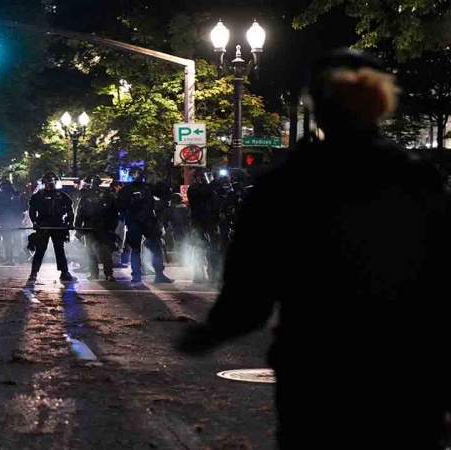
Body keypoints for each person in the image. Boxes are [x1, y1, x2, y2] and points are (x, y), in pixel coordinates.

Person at [177, 49, 450, 449]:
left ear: (317, 106)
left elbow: (250, 293)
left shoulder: (285, 184)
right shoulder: (419, 181)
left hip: (316, 367)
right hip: (406, 372)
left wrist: (207, 334)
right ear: (382, 106)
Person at [115, 167, 174, 284]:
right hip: (144, 222)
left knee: (140, 249)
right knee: (152, 248)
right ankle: (154, 274)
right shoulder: (146, 188)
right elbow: (165, 195)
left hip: (140, 222)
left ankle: (139, 275)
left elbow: (120, 207)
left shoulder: (128, 190)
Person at [28, 172, 76, 282]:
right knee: (40, 250)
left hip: (58, 225)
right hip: (43, 226)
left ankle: (64, 272)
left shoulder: (62, 195)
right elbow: (32, 211)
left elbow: (70, 210)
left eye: (52, 180)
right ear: (44, 182)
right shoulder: (38, 196)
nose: (50, 182)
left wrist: (70, 223)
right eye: (48, 180)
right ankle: (34, 272)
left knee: (59, 250)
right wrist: (35, 222)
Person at [74, 175, 119, 281]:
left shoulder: (104, 196)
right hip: (92, 229)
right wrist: (78, 228)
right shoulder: (88, 197)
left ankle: (104, 273)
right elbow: (79, 214)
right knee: (93, 252)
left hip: (101, 228)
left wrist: (111, 228)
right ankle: (100, 273)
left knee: (101, 252)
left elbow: (114, 214)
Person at [0, 179, 27, 265]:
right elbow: (24, 207)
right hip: (13, 222)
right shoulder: (16, 195)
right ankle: (18, 257)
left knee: (9, 241)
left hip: (9, 222)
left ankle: (13, 258)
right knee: (15, 240)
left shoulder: (2, 197)